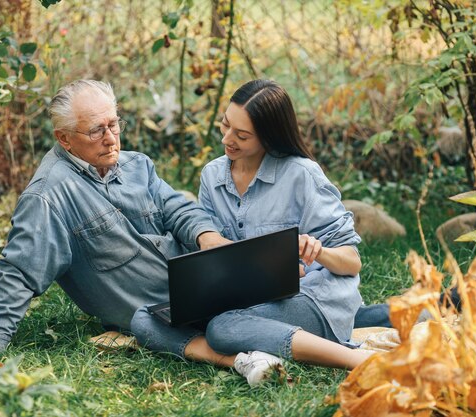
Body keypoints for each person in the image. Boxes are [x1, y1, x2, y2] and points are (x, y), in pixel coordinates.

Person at [131, 79, 374, 386]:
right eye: (225, 125)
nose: (227, 140)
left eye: (242, 135)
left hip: (314, 298)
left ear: (268, 139)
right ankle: (246, 360)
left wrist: (319, 251)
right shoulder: (213, 176)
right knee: (144, 317)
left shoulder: (301, 175)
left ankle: (360, 361)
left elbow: (352, 262)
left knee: (222, 328)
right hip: (245, 300)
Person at [0, 80, 230, 354]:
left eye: (113, 125)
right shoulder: (48, 196)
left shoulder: (137, 164)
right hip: (160, 316)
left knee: (277, 297)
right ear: (64, 138)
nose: (111, 138)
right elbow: (20, 271)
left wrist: (208, 237)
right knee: (244, 328)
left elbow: (177, 208)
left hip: (207, 286)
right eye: (96, 130)